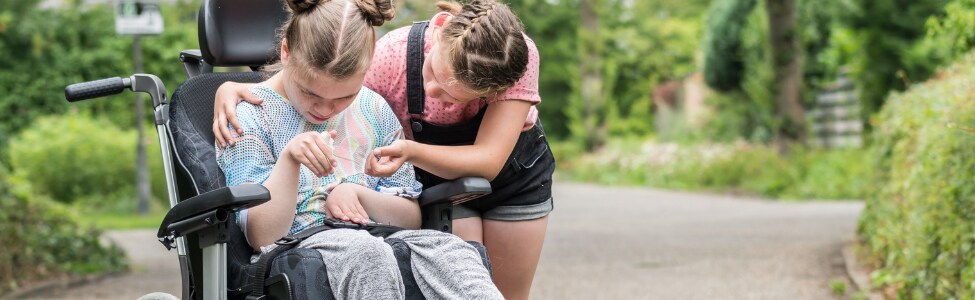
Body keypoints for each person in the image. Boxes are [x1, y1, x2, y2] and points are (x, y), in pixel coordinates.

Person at [213, 1, 555, 299]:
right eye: (310, 94)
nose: (325, 110)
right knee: (367, 257)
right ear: (285, 52)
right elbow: (261, 236)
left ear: (364, 71)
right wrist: (289, 159)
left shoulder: (372, 107)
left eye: (343, 97)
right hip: (306, 240)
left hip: (393, 226)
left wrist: (360, 194)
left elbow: (411, 218)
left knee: (454, 253)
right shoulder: (249, 117)